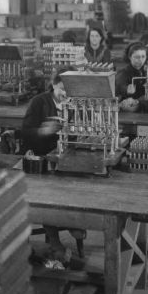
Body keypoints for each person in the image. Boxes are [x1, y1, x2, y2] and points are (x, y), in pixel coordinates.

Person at [21, 69, 85, 262]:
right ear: (54, 85)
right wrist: (43, 130)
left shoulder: (72, 104)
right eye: (62, 88)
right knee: (50, 195)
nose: (65, 93)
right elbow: (25, 132)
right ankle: (55, 241)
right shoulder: (40, 101)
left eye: (69, 90)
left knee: (76, 188)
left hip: (62, 157)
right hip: (39, 157)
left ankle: (74, 222)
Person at [115, 42, 147, 112]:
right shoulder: (123, 73)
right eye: (137, 57)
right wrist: (126, 90)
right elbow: (120, 86)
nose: (141, 60)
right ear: (130, 57)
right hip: (128, 112)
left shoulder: (147, 71)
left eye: (143, 56)